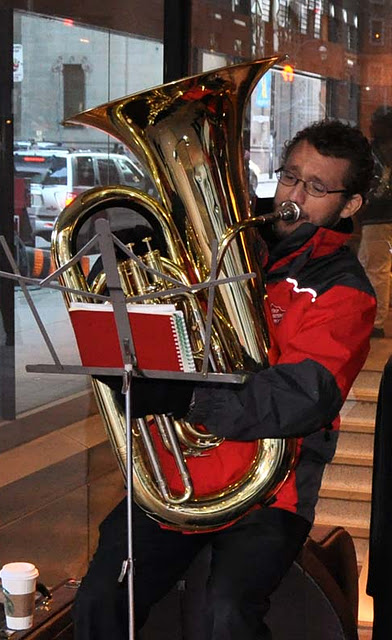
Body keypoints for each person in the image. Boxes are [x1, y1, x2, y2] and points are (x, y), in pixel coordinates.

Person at [73, 119, 377, 640]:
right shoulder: (227, 242)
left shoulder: (346, 292)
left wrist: (186, 397)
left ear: (349, 205)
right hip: (176, 477)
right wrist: (115, 247)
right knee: (103, 597)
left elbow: (303, 397)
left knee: (226, 614)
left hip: (270, 491)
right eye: (290, 177)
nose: (294, 195)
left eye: (317, 187)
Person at [357, 106, 392, 338]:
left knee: (374, 268)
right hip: (379, 215)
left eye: (375, 122)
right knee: (378, 267)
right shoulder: (378, 149)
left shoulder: (382, 151)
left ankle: (376, 321)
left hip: (379, 215)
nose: (370, 126)